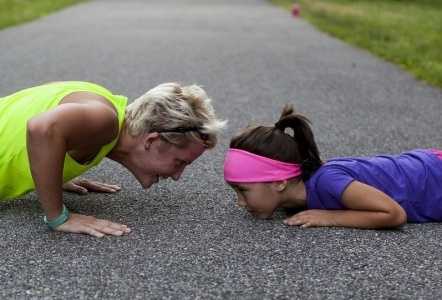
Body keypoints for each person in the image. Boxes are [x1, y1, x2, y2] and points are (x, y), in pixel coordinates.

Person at [0, 81, 225, 237]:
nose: (177, 176)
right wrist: (58, 216)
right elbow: (41, 128)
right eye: (180, 162)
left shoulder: (104, 111)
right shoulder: (104, 119)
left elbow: (28, 117)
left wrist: (52, 172)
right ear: (151, 141)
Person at [224, 104, 442, 229]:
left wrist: (328, 217)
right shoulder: (299, 190)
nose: (240, 203)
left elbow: (394, 214)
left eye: (243, 190)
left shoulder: (328, 181)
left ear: (280, 182)